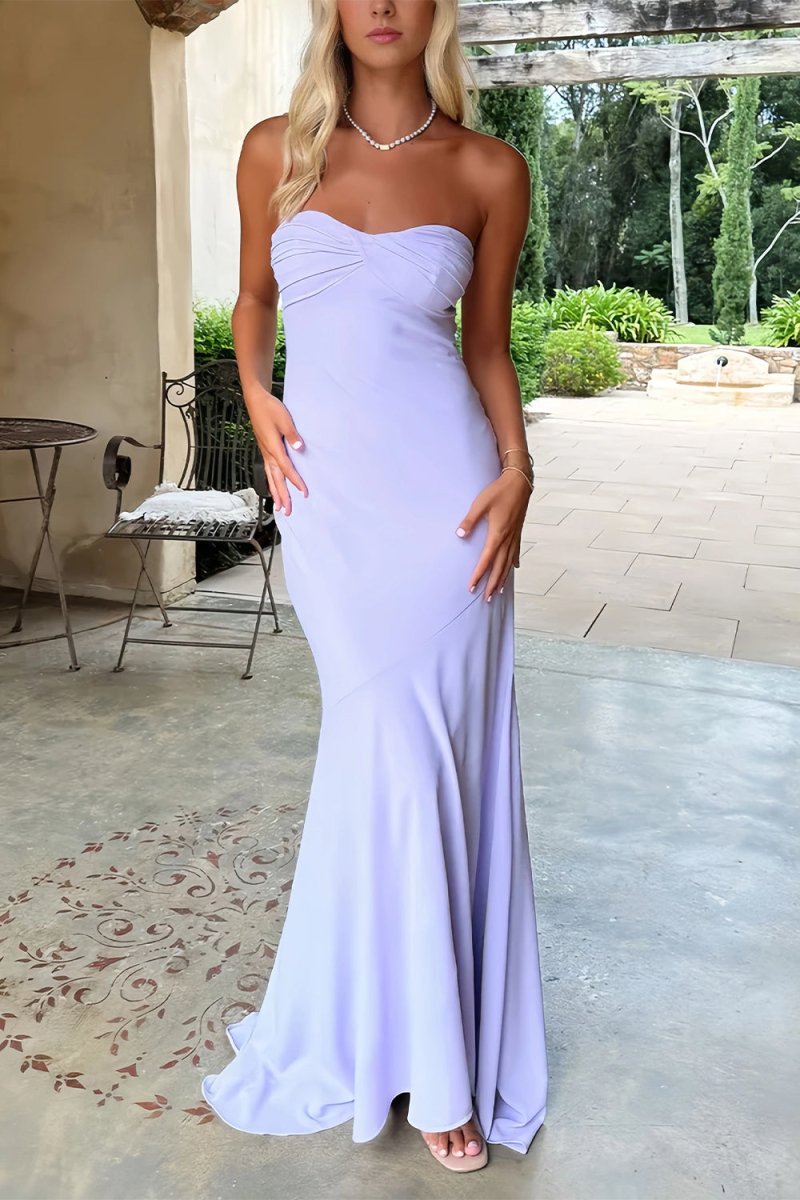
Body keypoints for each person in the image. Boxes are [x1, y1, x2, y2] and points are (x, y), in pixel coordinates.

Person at [201, 0, 548, 1174]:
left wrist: (517, 466)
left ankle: (438, 1059)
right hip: (330, 501)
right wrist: (256, 394)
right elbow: (255, 302)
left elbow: (485, 344)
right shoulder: (274, 148)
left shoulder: (488, 170)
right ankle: (394, 1034)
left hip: (446, 501)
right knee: (379, 741)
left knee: (420, 751)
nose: (384, 6)